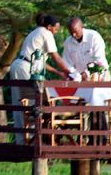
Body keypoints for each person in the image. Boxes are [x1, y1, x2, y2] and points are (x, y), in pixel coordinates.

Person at [9, 14, 70, 145]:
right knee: (32, 103)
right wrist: (70, 72)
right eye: (56, 29)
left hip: (18, 65)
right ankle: (32, 142)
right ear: (49, 27)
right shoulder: (46, 33)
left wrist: (58, 72)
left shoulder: (35, 32)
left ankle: (22, 141)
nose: (56, 32)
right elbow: (56, 57)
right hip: (26, 68)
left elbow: (40, 62)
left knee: (19, 104)